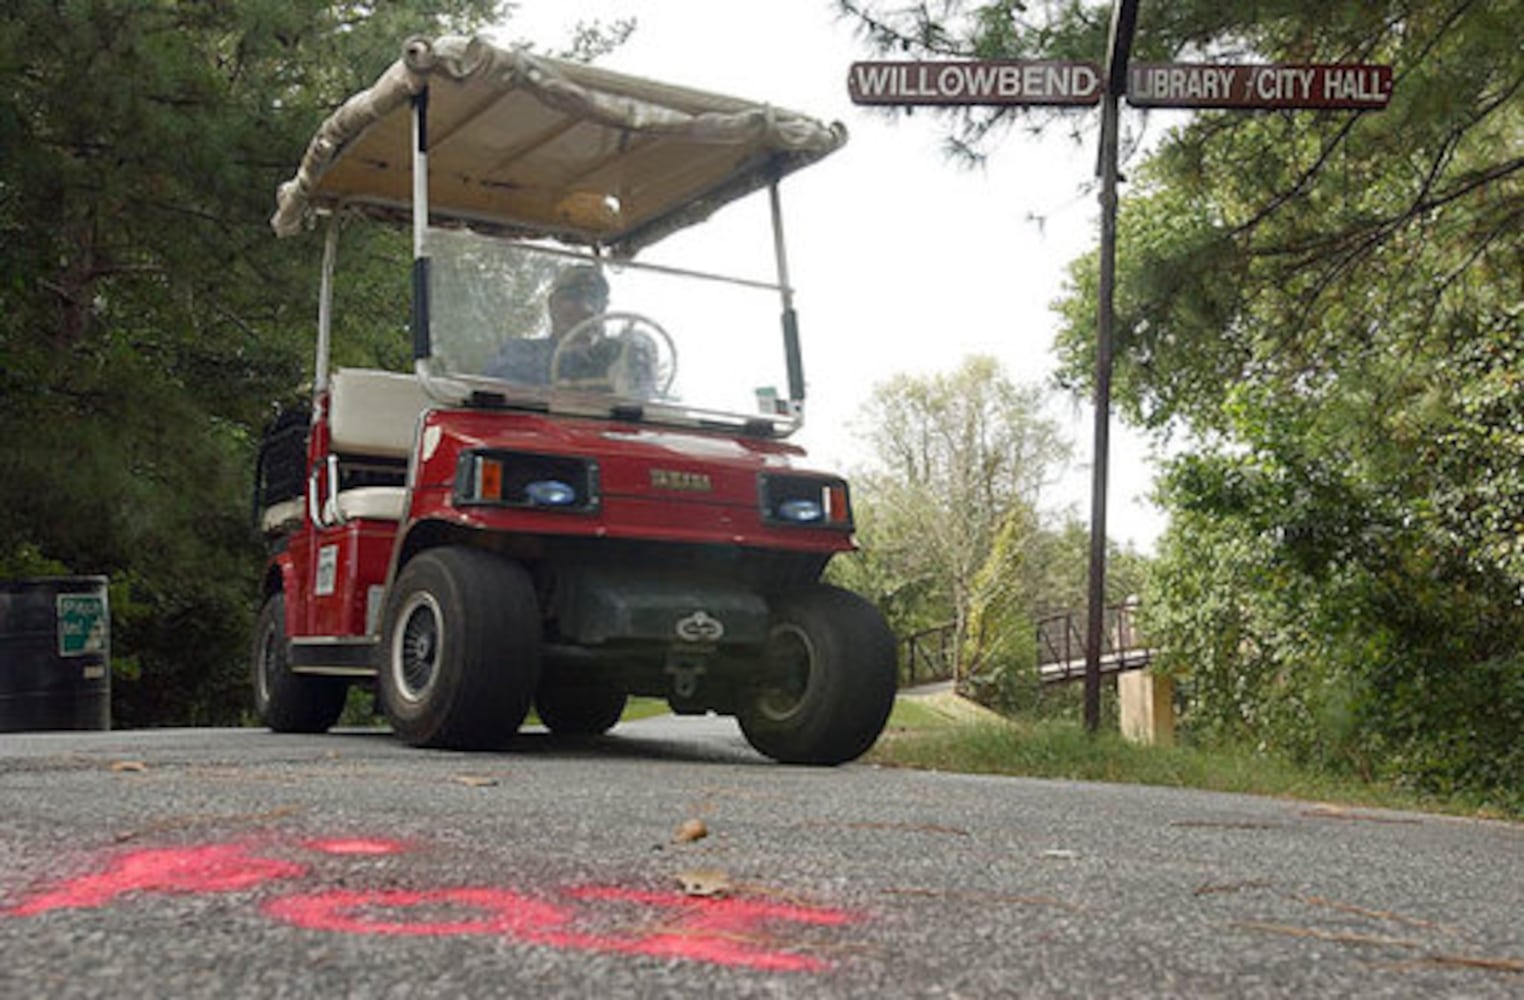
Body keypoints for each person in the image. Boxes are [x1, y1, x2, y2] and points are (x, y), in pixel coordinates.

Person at [486, 264, 657, 395]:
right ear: (553, 304)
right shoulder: (520, 351)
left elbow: (644, 399)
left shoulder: (615, 355)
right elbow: (498, 393)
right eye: (575, 297)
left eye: (596, 300)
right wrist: (573, 356)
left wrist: (639, 347)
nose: (589, 309)